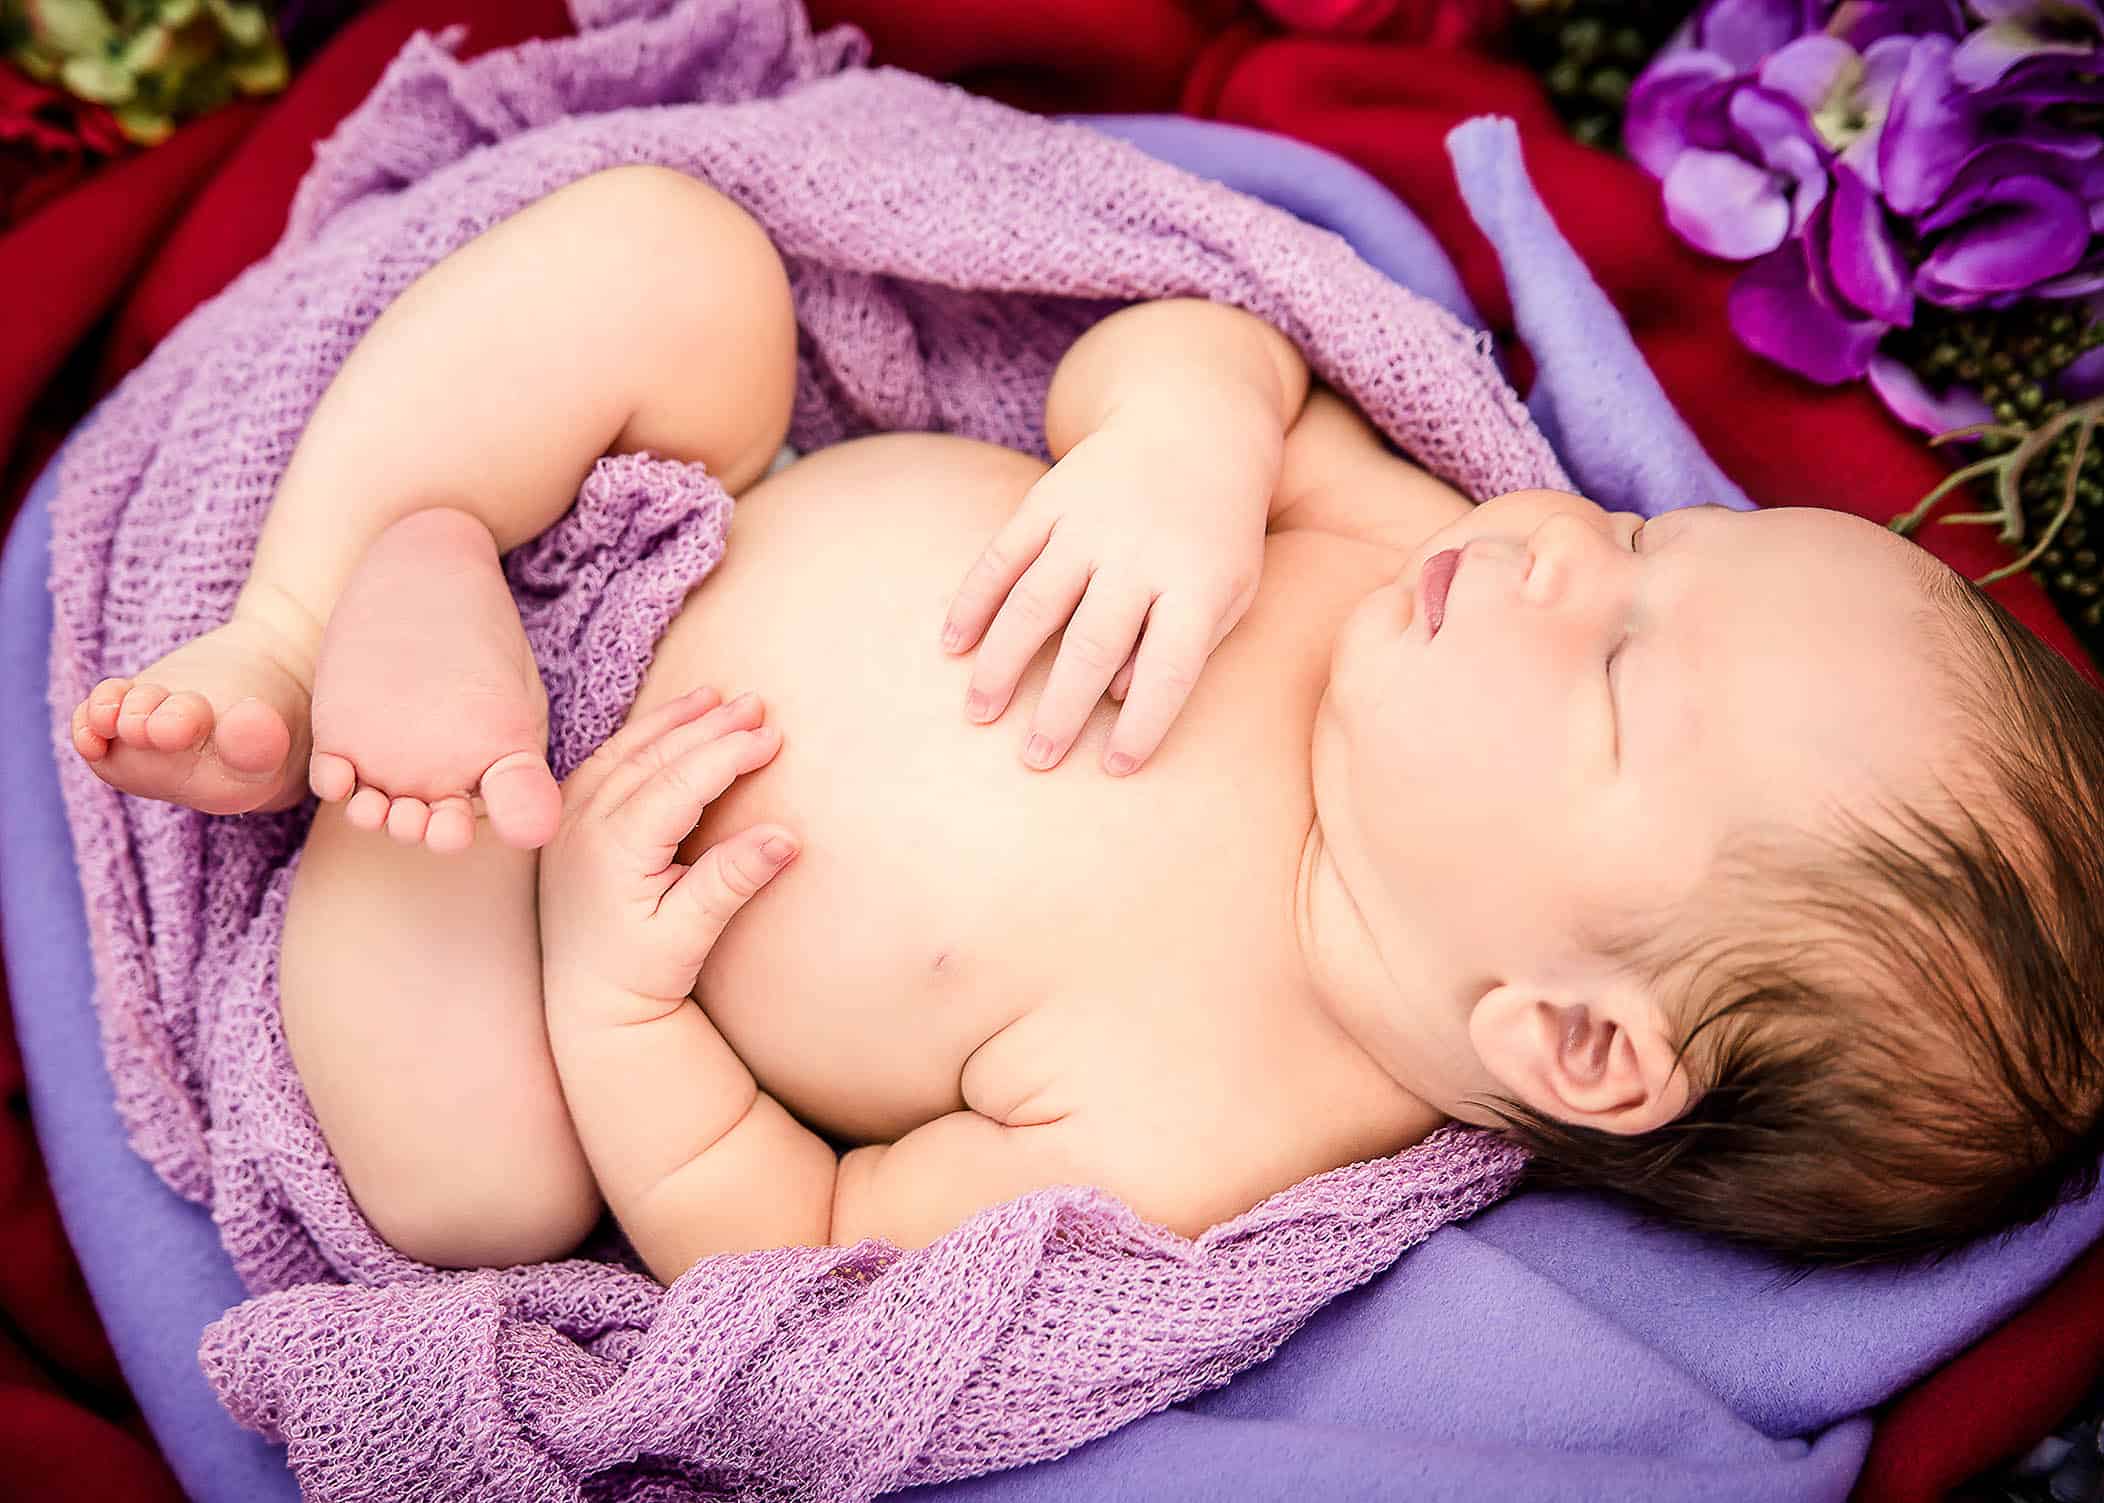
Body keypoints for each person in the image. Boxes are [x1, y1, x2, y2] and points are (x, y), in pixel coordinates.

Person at [67, 164, 2104, 1285]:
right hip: (699, 495)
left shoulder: (1210, 1129)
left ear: (1572, 1039)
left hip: (542, 898)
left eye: (1621, 666)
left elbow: (798, 1235)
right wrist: (1184, 439)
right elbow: (1210, 345)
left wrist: (619, 998)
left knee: (472, 1188)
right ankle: (297, 621)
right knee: (678, 260)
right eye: (1654, 539)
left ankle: (403, 762)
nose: (1567, 543)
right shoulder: (1399, 556)